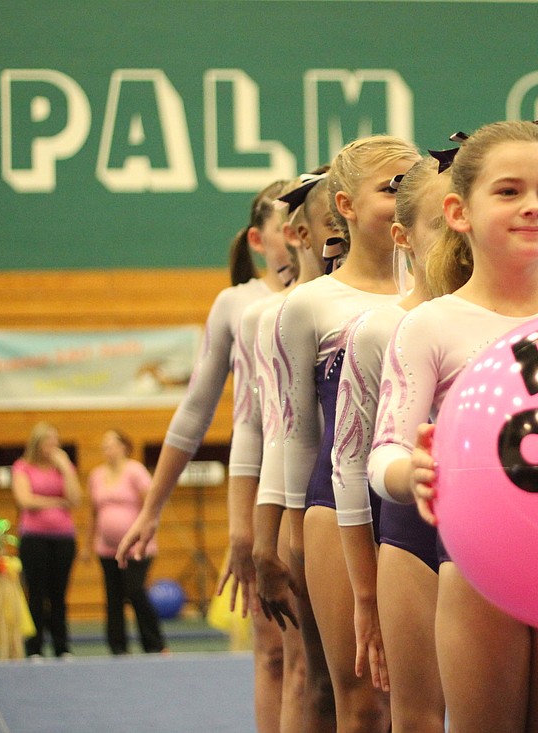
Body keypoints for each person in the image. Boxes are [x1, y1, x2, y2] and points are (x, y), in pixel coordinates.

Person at [367, 120, 538, 732]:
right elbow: (383, 455)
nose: (533, 206)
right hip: (478, 567)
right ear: (459, 211)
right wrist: (410, 473)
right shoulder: (431, 325)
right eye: (508, 191)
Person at [257, 135, 420, 733]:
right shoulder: (307, 305)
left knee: (419, 695)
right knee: (356, 699)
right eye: (390, 189)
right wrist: (284, 533)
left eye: (414, 186)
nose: (405, 201)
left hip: (415, 500)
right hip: (333, 503)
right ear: (346, 206)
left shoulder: (437, 294)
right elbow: (291, 431)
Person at [116, 181, 294, 723]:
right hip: (264, 492)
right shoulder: (239, 305)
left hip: (333, 488)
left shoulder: (340, 294)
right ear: (258, 240)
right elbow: (196, 413)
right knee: (274, 651)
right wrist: (151, 508)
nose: (296, 234)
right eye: (283, 226)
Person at [333, 156, 464, 732]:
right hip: (407, 535)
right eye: (439, 227)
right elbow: (351, 463)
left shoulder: (507, 323)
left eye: (461, 225)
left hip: (495, 535)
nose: (456, 243)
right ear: (404, 238)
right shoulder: (380, 330)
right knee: (412, 716)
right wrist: (365, 595)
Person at [222, 172, 334, 733]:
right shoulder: (263, 313)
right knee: (301, 670)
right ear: (299, 233)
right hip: (308, 512)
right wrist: (254, 531)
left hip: (382, 513)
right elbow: (267, 430)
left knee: (381, 689)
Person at [88, 429, 167, 655]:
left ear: (124, 447)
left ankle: (154, 644)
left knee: (134, 591)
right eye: (104, 446)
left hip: (137, 546)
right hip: (106, 547)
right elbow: (93, 513)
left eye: (111, 444)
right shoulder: (96, 475)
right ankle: (117, 647)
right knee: (113, 597)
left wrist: (147, 531)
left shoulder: (135, 471)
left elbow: (151, 501)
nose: (107, 450)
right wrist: (87, 545)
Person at [13, 421, 82, 658]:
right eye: (48, 440)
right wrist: (55, 502)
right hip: (34, 538)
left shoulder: (63, 467)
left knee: (59, 595)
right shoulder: (23, 467)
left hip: (63, 538)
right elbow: (25, 500)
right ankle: (35, 647)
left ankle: (62, 646)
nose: (53, 445)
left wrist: (65, 468)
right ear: (37, 443)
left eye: (56, 440)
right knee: (37, 593)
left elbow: (75, 500)